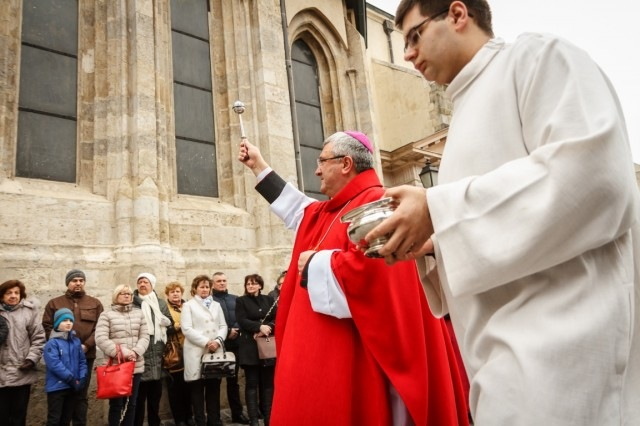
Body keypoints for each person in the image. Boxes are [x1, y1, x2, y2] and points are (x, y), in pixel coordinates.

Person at [362, 1, 640, 424]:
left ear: (458, 14)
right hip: (498, 364)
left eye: (415, 35)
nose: (408, 53)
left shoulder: (538, 58)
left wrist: (439, 210)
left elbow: (595, 178)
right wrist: (436, 243)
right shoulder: (464, 115)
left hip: (563, 352)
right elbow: (494, 223)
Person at [238, 133, 468, 425]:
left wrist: (316, 264)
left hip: (367, 359)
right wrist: (258, 165)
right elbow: (295, 207)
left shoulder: (380, 203)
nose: (316, 170)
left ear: (346, 164)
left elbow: (378, 273)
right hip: (326, 359)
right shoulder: (329, 211)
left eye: (322, 161)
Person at [42, 268, 104, 426]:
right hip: (61, 358)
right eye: (74, 280)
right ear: (67, 283)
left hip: (85, 357)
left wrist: (86, 345)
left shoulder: (95, 303)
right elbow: (48, 326)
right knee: (61, 397)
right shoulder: (54, 303)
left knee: (80, 396)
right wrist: (60, 346)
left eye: (81, 280)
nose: (78, 283)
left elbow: (100, 328)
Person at [96, 284, 150, 426]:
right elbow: (101, 339)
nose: (127, 296)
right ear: (116, 296)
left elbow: (145, 336)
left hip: (135, 365)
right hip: (116, 367)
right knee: (116, 404)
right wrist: (123, 353)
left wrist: (136, 352)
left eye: (129, 294)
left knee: (132, 403)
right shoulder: (106, 315)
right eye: (123, 293)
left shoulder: (139, 313)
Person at [181, 275, 228, 426]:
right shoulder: (188, 306)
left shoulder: (216, 305)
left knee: (213, 388)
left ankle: (214, 420)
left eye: (207, 287)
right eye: (201, 287)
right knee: (197, 391)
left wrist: (217, 341)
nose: (205, 289)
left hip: (215, 351)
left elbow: (223, 326)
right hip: (197, 351)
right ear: (195, 288)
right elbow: (186, 329)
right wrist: (206, 342)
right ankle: (200, 421)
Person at [0, 279, 46, 426]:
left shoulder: (29, 312)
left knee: (18, 416)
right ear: (2, 296)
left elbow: (39, 338)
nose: (13, 296)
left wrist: (31, 359)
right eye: (9, 293)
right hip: (1, 373)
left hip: (21, 371)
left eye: (16, 293)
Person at [132, 272, 174, 426]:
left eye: (146, 282)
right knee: (138, 398)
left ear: (152, 285)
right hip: (140, 354)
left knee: (155, 398)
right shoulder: (132, 303)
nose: (142, 284)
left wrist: (166, 323)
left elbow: (170, 324)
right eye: (140, 282)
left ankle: (154, 422)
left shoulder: (160, 303)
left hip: (158, 355)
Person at [235, 274, 276, 426]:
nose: (250, 286)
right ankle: (253, 420)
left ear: (260, 285)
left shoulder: (269, 300)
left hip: (267, 345)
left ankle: (268, 419)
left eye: (253, 283)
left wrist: (268, 327)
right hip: (250, 347)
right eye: (248, 284)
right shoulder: (241, 301)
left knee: (268, 385)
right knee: (251, 384)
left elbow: (276, 317)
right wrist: (258, 327)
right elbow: (241, 320)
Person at [211, 272, 250, 424]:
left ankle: (237, 413)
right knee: (215, 383)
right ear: (213, 284)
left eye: (224, 280)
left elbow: (242, 317)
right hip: (217, 346)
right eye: (218, 281)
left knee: (233, 381)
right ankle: (215, 418)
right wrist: (227, 332)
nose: (222, 283)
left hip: (235, 345)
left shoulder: (235, 299)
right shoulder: (210, 301)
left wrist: (236, 329)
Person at [43, 308, 88, 426]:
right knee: (54, 419)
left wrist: (82, 377)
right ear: (57, 323)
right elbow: (54, 364)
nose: (68, 323)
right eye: (64, 320)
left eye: (70, 320)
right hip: (57, 388)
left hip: (72, 386)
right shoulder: (52, 343)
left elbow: (82, 361)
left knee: (66, 419)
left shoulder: (76, 341)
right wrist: (70, 378)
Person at [164, 281, 195, 426]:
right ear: (167, 295)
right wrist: (177, 326)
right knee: (175, 387)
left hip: (190, 350)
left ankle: (189, 416)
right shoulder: (164, 309)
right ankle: (179, 419)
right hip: (174, 352)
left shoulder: (188, 306)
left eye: (177, 291)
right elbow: (163, 329)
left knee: (189, 386)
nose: (175, 294)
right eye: (172, 292)